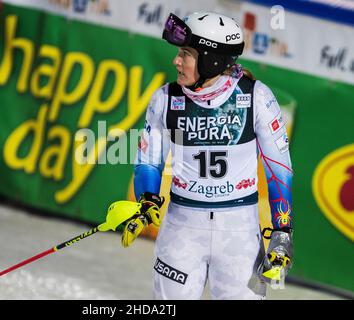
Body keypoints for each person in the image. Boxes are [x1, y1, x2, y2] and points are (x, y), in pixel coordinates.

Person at [121, 11, 294, 300]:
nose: (176, 61)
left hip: (240, 234)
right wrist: (146, 202)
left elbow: (279, 169)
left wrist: (282, 232)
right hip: (181, 230)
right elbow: (149, 160)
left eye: (186, 54)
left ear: (211, 59)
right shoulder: (165, 99)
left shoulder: (256, 97)